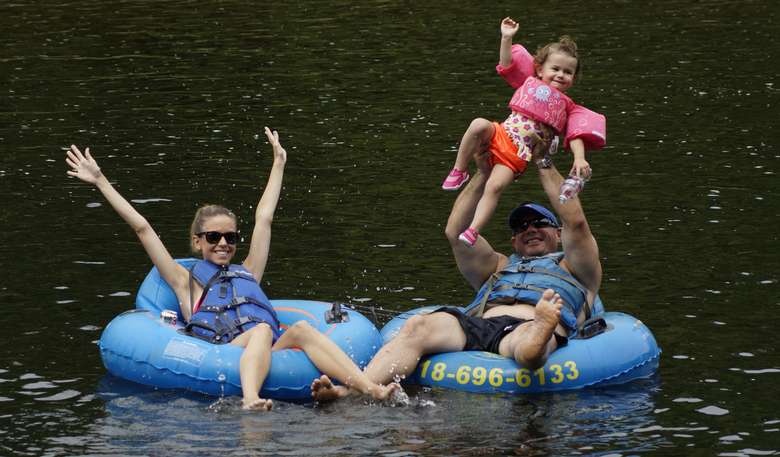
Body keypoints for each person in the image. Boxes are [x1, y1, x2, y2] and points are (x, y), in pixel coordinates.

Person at [66, 128, 397, 410]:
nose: (223, 243)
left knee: (303, 331)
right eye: (213, 236)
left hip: (269, 347)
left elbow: (264, 217)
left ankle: (372, 389)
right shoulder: (184, 281)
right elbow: (143, 228)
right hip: (225, 348)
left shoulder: (249, 271)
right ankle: (251, 399)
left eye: (230, 236)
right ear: (198, 242)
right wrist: (101, 181)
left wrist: (279, 163)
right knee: (262, 331)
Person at [311, 132, 601, 401]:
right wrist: (483, 173)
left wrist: (542, 161)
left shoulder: (576, 266)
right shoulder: (498, 265)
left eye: (540, 223)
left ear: (558, 234)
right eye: (521, 227)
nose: (530, 229)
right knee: (418, 325)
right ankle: (351, 393)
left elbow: (576, 222)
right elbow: (456, 231)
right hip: (480, 326)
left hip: (526, 326)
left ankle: (541, 329)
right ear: (513, 241)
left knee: (528, 344)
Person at [441, 17, 606, 248]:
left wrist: (579, 158)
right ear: (539, 69)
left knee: (494, 187)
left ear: (573, 79)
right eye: (555, 69)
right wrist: (506, 38)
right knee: (478, 124)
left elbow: (577, 133)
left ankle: (473, 229)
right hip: (501, 132)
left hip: (518, 153)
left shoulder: (568, 107)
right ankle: (459, 170)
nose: (561, 75)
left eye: (568, 72)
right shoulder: (529, 82)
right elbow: (507, 64)